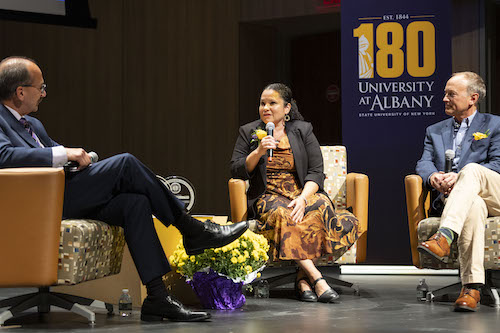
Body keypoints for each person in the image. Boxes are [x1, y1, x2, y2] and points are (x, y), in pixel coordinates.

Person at [0, 56, 249, 322]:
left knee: (134, 202)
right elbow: (4, 156)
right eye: (41, 87)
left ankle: (157, 297)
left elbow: (56, 156)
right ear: (20, 91)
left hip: (61, 192)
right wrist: (63, 153)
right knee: (126, 164)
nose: (44, 93)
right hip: (36, 206)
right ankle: (192, 229)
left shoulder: (33, 124)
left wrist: (77, 158)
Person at [230, 83, 362, 303]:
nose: (266, 108)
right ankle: (316, 278)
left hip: (302, 192)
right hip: (269, 195)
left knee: (321, 207)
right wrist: (259, 150)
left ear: (287, 108)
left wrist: (302, 199)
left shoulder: (303, 130)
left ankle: (301, 279)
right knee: (284, 215)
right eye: (263, 103)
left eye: (273, 103)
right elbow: (236, 169)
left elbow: (316, 173)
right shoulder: (249, 131)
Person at [416, 71, 500, 312]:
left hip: (495, 193)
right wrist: (434, 177)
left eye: (451, 94)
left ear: (472, 98)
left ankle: (444, 235)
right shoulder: (435, 130)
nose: (444, 98)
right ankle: (472, 288)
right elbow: (424, 163)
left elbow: (497, 163)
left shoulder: (495, 125)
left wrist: (461, 175)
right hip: (463, 200)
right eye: (445, 93)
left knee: (471, 170)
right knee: (473, 206)